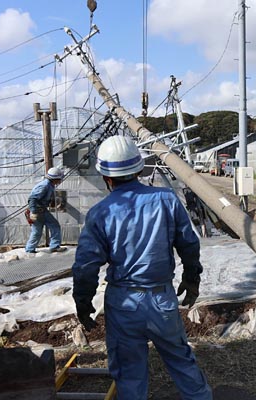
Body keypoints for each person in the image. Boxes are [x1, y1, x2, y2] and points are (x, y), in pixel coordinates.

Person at [71, 135, 212, 400]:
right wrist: (191, 278)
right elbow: (189, 245)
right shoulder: (166, 199)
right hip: (161, 299)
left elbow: (86, 266)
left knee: (129, 373)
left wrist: (83, 301)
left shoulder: (100, 213)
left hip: (123, 303)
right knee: (181, 361)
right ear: (138, 169)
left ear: (106, 177)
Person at [25, 167, 67, 254]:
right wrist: (33, 212)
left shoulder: (49, 185)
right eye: (59, 179)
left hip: (41, 210)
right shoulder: (44, 186)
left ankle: (31, 249)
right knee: (45, 228)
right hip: (38, 211)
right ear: (55, 178)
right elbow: (32, 199)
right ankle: (53, 246)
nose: (60, 180)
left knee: (41, 229)